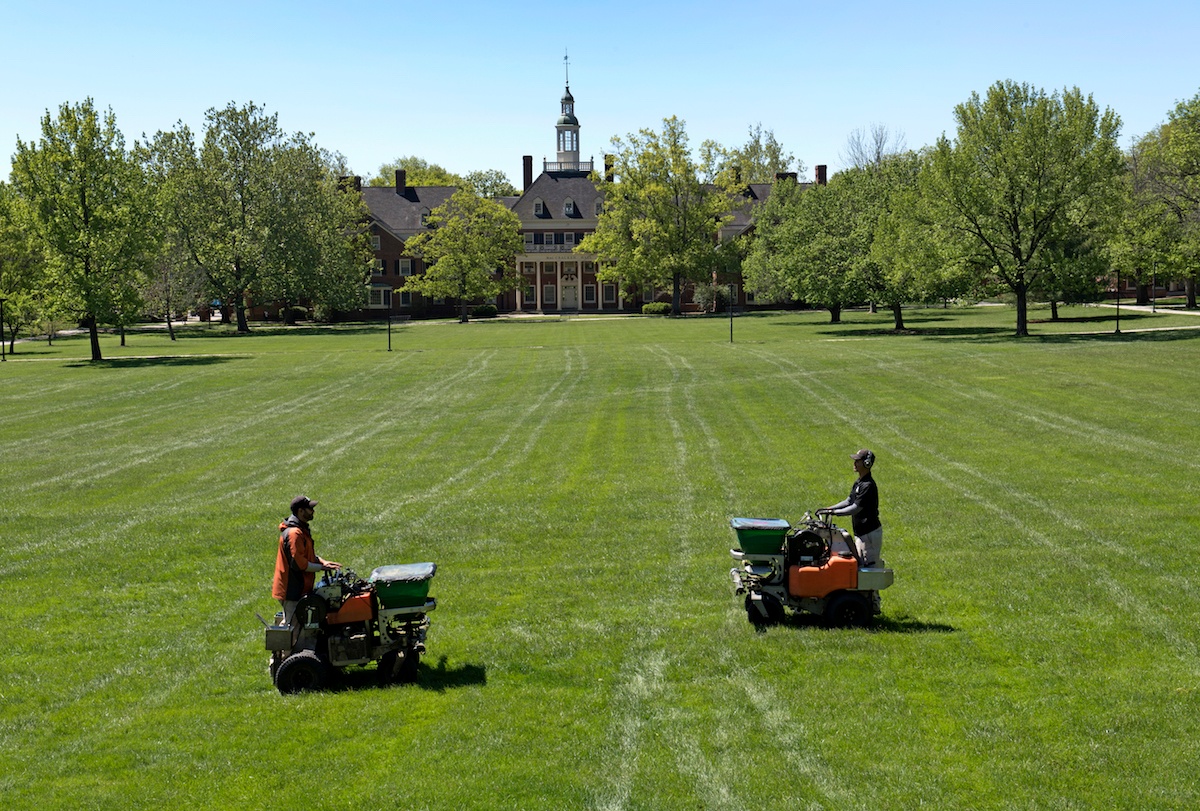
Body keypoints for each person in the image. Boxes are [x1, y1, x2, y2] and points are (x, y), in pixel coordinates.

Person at [272, 495, 341, 623]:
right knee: (296, 627)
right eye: (310, 508)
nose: (313, 511)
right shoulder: (294, 534)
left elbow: (305, 555)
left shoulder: (301, 530)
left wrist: (322, 562)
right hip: (291, 589)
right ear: (300, 511)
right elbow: (299, 564)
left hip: (297, 588)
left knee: (298, 623)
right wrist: (320, 567)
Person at [817, 449, 883, 568]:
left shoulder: (868, 486)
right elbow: (848, 501)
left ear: (867, 463)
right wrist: (828, 509)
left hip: (868, 535)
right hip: (862, 533)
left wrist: (834, 513)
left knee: (867, 570)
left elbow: (855, 508)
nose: (854, 463)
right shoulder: (859, 482)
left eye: (858, 461)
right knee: (860, 566)